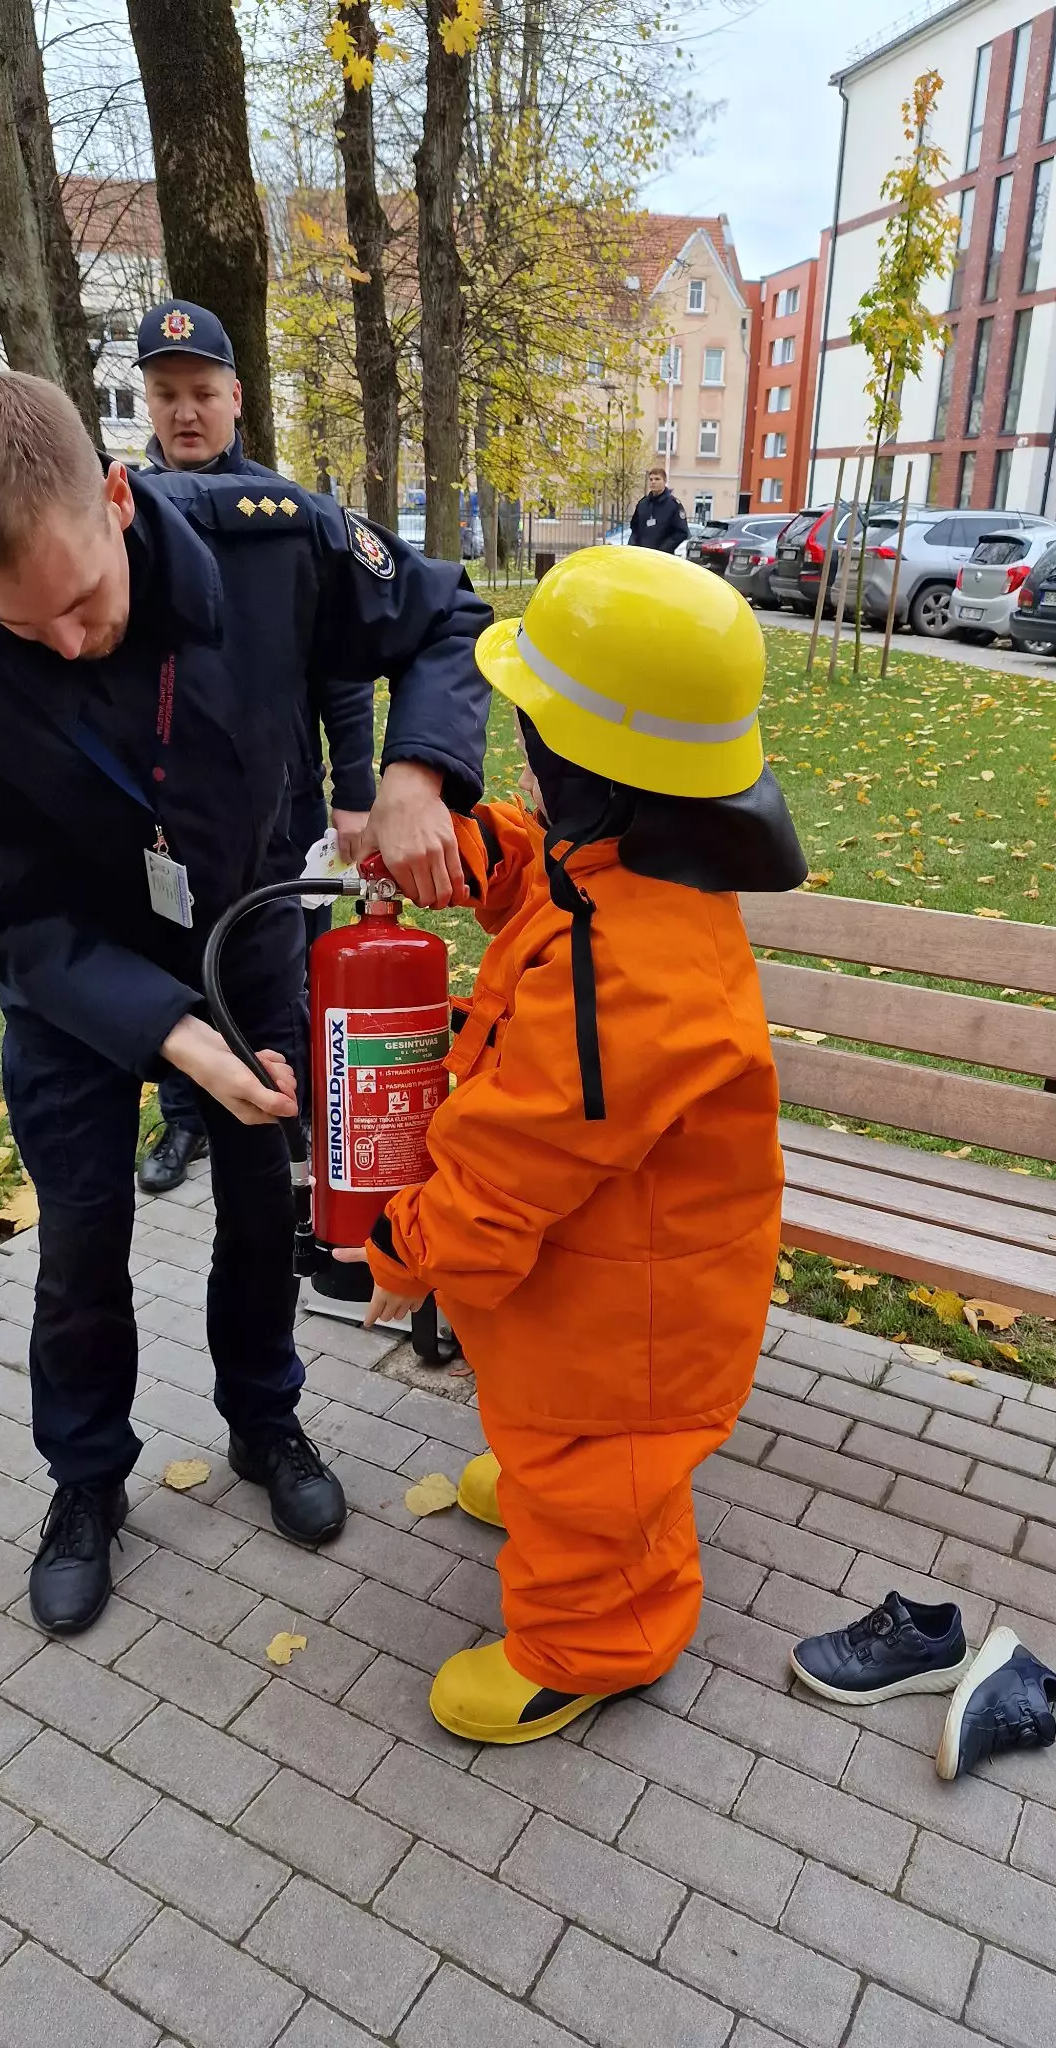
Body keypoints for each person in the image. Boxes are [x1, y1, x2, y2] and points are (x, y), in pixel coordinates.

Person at [0, 371, 490, 1637]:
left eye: (84, 600)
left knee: (264, 1205)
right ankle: (86, 1479)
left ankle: (265, 1415)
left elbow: (443, 617)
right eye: (25, 627)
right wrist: (169, 1033)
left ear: (116, 492)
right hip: (74, 983)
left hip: (248, 934)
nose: (71, 641)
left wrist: (418, 770)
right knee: (82, 1239)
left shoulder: (271, 542)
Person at [337, 546, 806, 1742]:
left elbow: (507, 1165)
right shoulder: (634, 861)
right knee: (562, 1436)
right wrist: (466, 845)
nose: (526, 759)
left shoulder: (633, 981)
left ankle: (599, 1643)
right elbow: (550, 875)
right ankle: (564, 1498)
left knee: (600, 1466)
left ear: (596, 766)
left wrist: (402, 1249)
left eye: (539, 732)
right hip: (591, 1280)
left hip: (628, 1311)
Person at [132, 297, 375, 1194]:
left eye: (202, 391)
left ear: (237, 396)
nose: (185, 412)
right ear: (147, 402)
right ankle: (185, 1121)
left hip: (285, 807)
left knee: (292, 970)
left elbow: (342, 668)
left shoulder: (290, 520)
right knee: (176, 968)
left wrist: (355, 790)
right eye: (166, 394)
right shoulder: (123, 517)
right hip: (166, 814)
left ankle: (291, 1107)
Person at [629, 466, 689, 553]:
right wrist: (633, 546)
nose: (653, 482)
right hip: (642, 555)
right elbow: (635, 528)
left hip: (662, 556)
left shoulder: (673, 505)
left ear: (664, 481)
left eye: (657, 479)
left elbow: (681, 532)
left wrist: (663, 549)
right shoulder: (643, 504)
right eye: (651, 479)